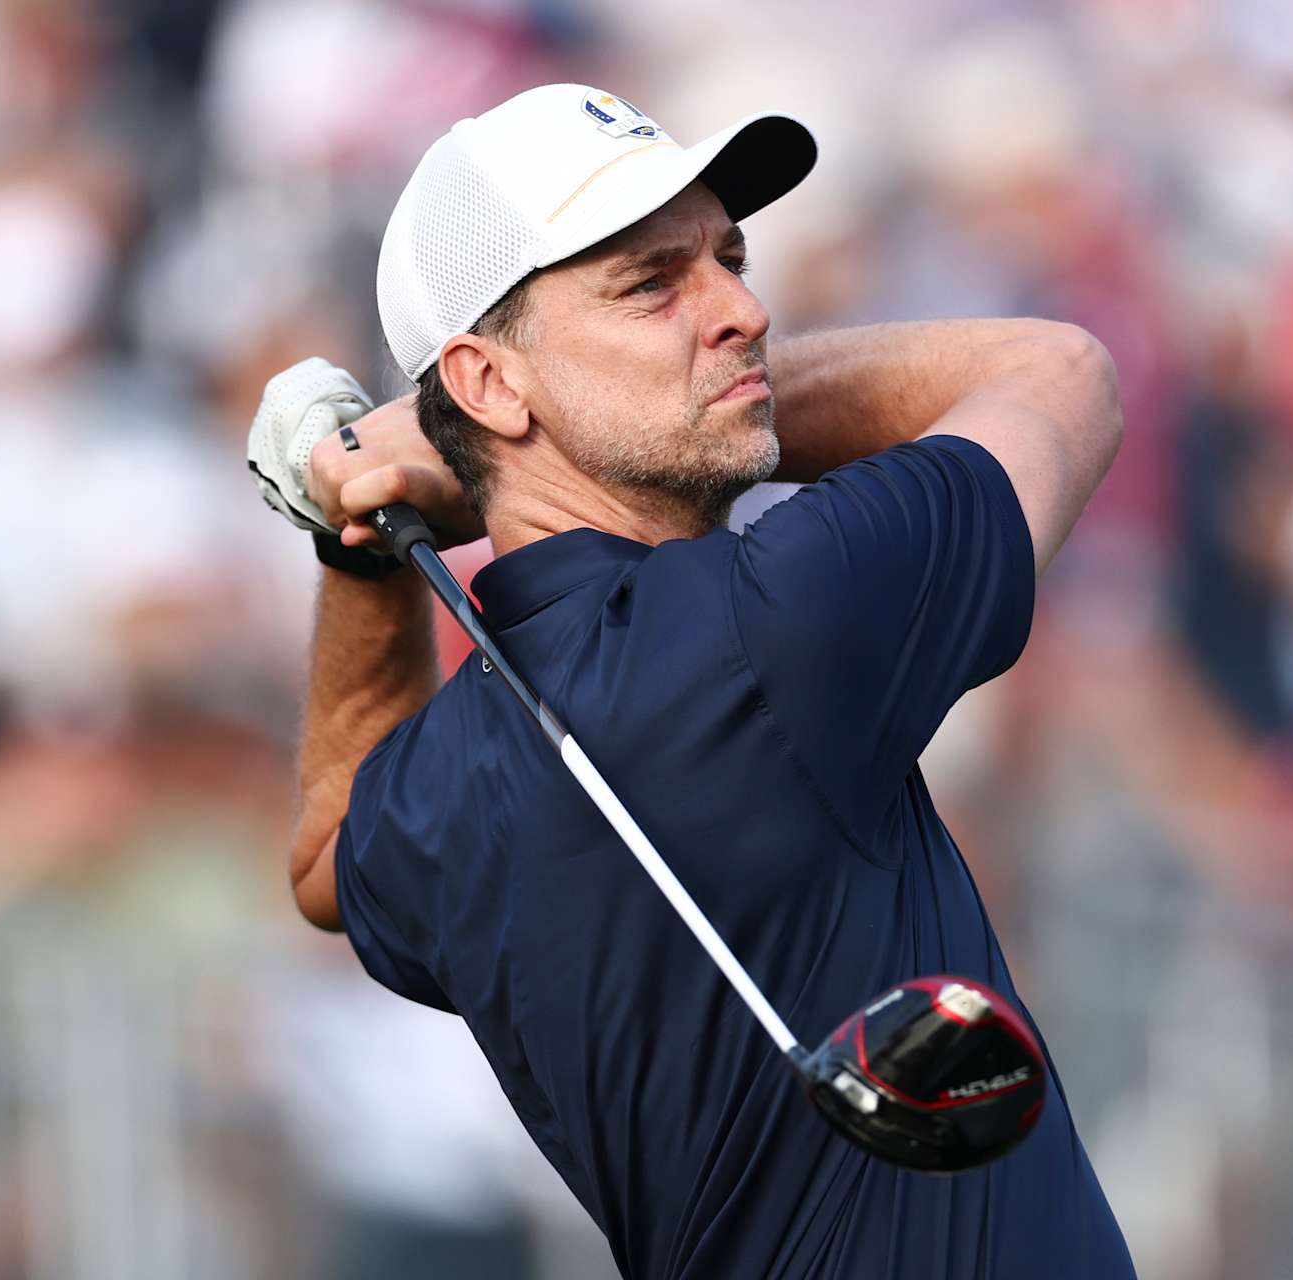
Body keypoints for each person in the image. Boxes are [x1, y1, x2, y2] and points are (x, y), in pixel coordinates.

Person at [245, 84, 1131, 1278]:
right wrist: (438, 447)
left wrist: (365, 538)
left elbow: (324, 856)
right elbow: (1061, 371)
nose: (745, 313)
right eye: (652, 285)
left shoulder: (440, 783)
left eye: (730, 260)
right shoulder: (782, 611)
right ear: (490, 383)